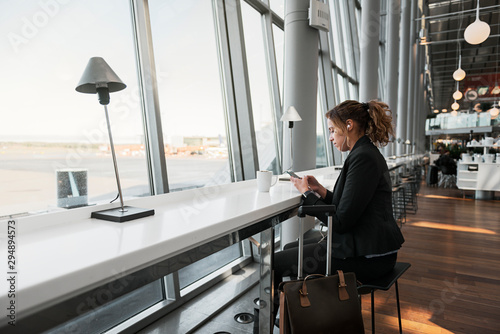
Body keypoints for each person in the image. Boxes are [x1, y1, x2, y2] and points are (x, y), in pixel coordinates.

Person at [273, 100, 405, 321]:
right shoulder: (363, 153)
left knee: (276, 263)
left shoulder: (363, 157)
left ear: (349, 125)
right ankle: (293, 316)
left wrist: (307, 194)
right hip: (369, 247)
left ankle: (283, 320)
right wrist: (321, 191)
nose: (331, 137)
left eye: (333, 130)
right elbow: (349, 205)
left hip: (370, 258)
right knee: (290, 246)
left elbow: (341, 220)